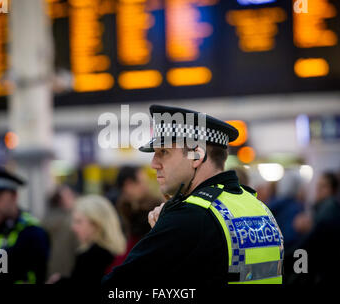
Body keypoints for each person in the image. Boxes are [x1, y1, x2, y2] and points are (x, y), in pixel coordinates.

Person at [102, 104, 284, 291]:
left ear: (197, 156)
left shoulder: (190, 217)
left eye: (163, 152)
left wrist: (166, 229)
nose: (153, 164)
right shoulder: (258, 206)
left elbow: (116, 290)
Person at [47, 195, 126, 289]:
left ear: (96, 224)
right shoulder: (117, 253)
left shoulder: (92, 257)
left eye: (78, 221)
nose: (73, 227)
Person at [285, 171, 340, 284]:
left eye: (324, 186)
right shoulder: (320, 208)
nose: (318, 189)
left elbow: (310, 241)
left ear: (333, 190)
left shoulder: (329, 206)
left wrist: (284, 257)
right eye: (318, 185)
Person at [42, 185, 78, 279]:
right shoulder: (70, 221)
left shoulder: (45, 220)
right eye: (69, 196)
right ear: (61, 200)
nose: (73, 198)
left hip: (52, 269)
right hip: (67, 268)